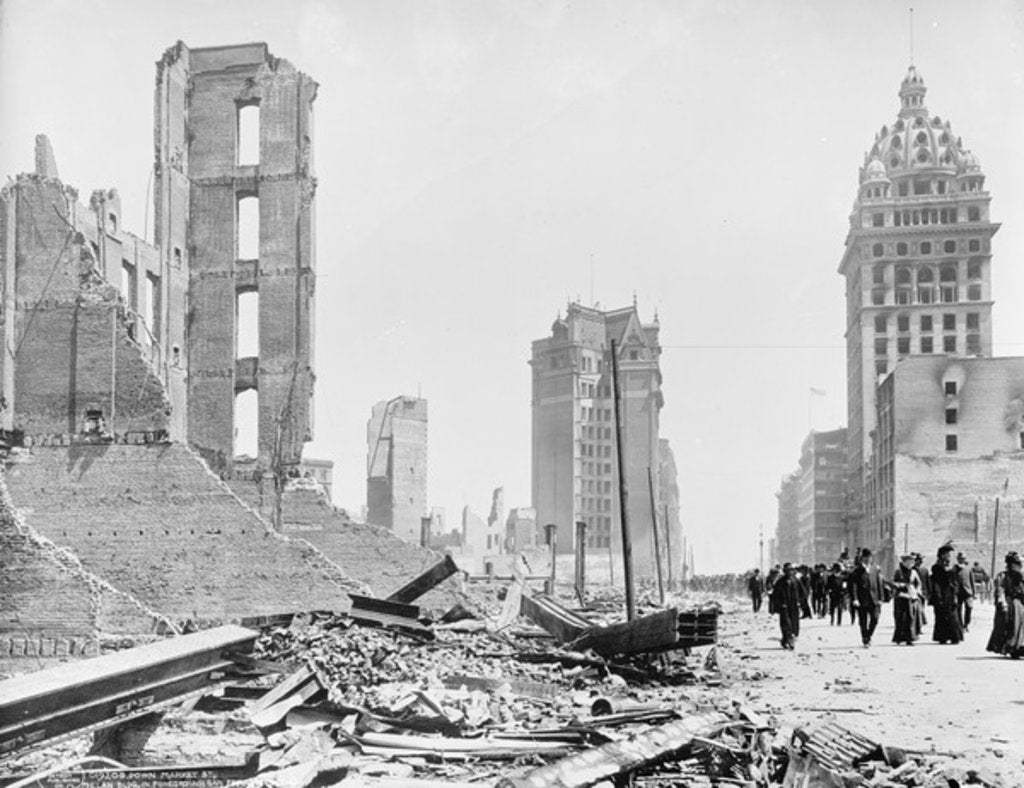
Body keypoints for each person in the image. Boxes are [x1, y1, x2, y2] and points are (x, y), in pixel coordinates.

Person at [987, 551, 1024, 659]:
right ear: (1011, 564)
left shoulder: (1021, 576)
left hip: (1021, 604)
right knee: (1012, 626)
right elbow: (1000, 590)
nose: (1020, 566)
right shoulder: (1003, 576)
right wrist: (1002, 602)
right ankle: (1012, 648)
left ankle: (1019, 646)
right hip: (1010, 604)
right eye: (1017, 563)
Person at [930, 543, 968, 645]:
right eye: (947, 554)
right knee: (942, 615)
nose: (949, 556)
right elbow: (942, 578)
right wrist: (954, 570)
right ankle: (943, 637)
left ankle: (954, 636)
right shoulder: (937, 567)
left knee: (952, 615)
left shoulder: (947, 566)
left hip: (950, 593)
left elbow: (953, 579)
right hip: (941, 593)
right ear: (942, 555)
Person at [849, 547, 887, 647]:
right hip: (862, 600)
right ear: (862, 558)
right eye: (866, 558)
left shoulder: (875, 569)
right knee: (863, 621)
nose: (868, 560)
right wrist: (855, 599)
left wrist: (881, 598)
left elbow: (879, 584)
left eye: (869, 558)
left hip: (874, 599)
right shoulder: (856, 571)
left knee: (875, 619)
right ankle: (865, 639)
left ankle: (868, 635)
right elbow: (853, 586)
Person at [770, 562, 805, 650]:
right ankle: (788, 640)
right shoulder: (780, 582)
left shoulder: (796, 581)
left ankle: (789, 639)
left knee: (794, 624)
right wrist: (779, 605)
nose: (789, 572)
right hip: (784, 606)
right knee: (785, 624)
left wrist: (800, 602)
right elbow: (775, 595)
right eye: (787, 571)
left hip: (794, 606)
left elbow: (803, 592)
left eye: (790, 570)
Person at [891, 553, 923, 645]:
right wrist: (899, 585)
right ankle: (899, 638)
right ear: (904, 562)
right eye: (908, 561)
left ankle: (910, 637)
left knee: (911, 617)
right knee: (900, 618)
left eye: (911, 561)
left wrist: (916, 591)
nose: (911, 563)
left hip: (911, 597)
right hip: (900, 596)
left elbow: (918, 583)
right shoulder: (898, 572)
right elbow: (893, 582)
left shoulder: (914, 572)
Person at [956, 552, 975, 632]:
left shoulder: (969, 568)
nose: (961, 560)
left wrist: (973, 592)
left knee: (969, 608)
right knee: (958, 610)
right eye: (960, 559)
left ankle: (966, 624)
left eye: (963, 559)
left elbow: (972, 581)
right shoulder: (955, 568)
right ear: (958, 559)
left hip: (968, 592)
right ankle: (960, 625)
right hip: (958, 592)